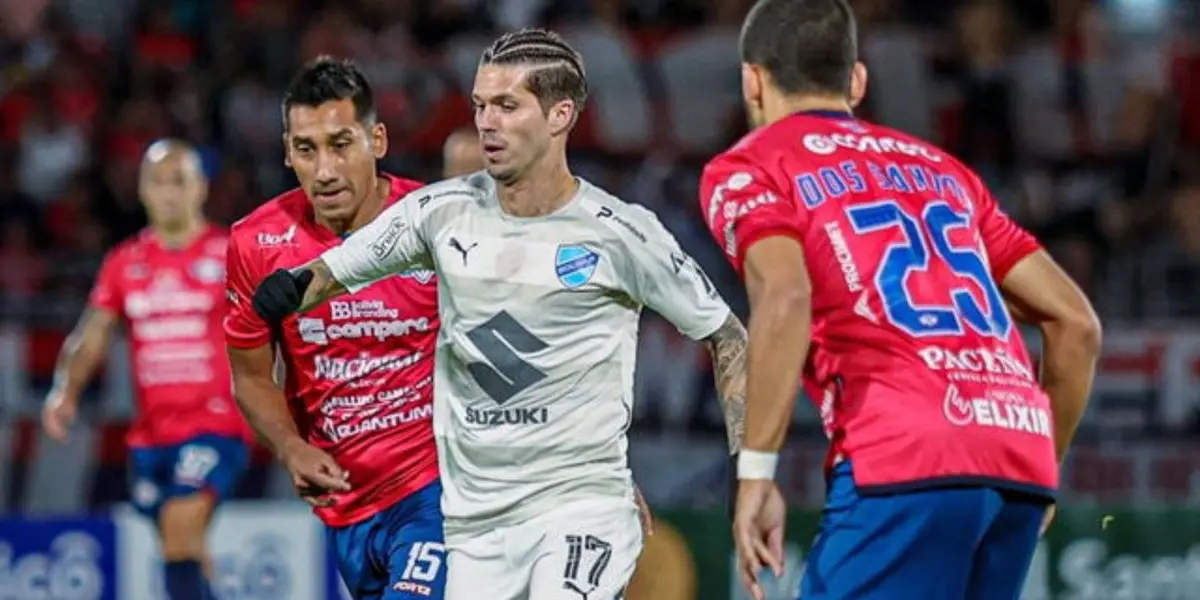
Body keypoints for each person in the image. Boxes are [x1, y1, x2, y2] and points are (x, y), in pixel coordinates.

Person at [249, 29, 749, 600]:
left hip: (579, 509)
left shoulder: (620, 233)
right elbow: (331, 272)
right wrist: (285, 289)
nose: (486, 121)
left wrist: (749, 472)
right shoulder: (440, 214)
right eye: (480, 105)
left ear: (561, 115)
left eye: (507, 106)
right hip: (474, 527)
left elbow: (727, 335)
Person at [702, 1, 1103, 599]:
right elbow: (1076, 323)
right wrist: (1041, 457)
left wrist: (756, 471)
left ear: (750, 81)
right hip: (1017, 453)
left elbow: (785, 296)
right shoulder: (947, 172)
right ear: (857, 81)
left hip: (901, 456)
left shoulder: (751, 167)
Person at [223, 57, 446, 600]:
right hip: (347, 510)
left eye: (341, 144)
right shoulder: (256, 244)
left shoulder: (435, 222)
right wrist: (290, 448)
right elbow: (251, 376)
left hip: (438, 490)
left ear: (378, 139)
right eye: (306, 149)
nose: (324, 170)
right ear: (286, 152)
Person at [42, 140, 251, 600]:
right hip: (151, 439)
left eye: (180, 180)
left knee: (180, 523)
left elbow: (272, 328)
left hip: (215, 426)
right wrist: (65, 390)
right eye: (158, 181)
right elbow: (92, 333)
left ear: (201, 188)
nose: (169, 192)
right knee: (183, 551)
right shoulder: (124, 263)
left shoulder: (230, 253)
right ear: (142, 190)